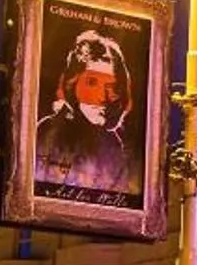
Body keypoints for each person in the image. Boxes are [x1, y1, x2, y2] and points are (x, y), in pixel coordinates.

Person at [32, 29, 138, 198]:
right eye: (92, 82)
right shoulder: (46, 133)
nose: (104, 98)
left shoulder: (113, 146)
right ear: (72, 83)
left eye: (112, 88)